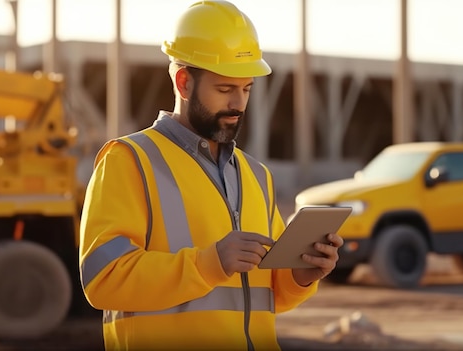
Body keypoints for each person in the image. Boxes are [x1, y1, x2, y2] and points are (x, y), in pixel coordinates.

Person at [78, 1, 344, 350]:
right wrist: (209, 263)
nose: (238, 104)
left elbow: (267, 296)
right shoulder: (129, 161)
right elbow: (102, 279)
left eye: (246, 89)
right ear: (183, 81)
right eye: (225, 89)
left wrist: (301, 276)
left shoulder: (256, 176)